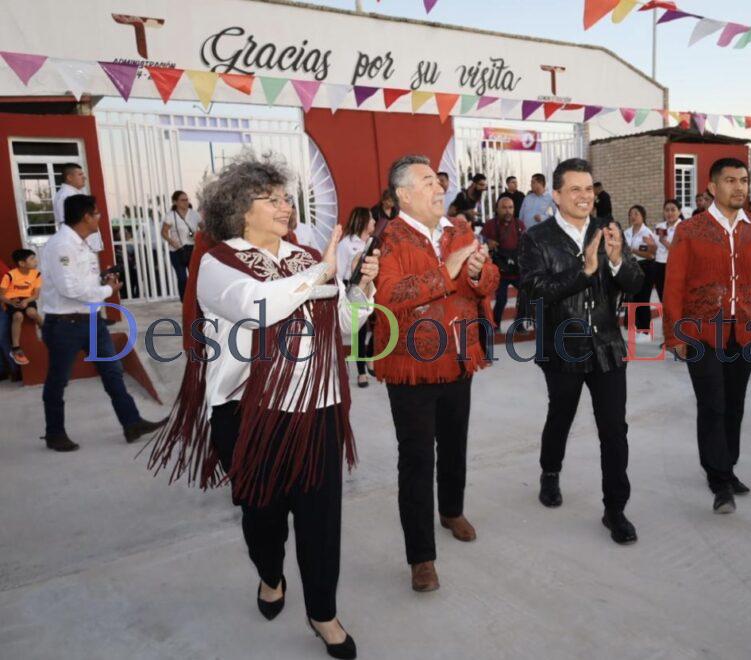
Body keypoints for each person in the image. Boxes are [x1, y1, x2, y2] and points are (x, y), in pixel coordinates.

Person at [148, 154, 378, 659]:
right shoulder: (215, 263)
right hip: (250, 413)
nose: (284, 205)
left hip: (318, 407)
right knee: (263, 516)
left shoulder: (305, 255)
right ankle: (270, 574)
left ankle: (323, 613)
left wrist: (360, 289)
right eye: (269, 198)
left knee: (321, 519)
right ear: (238, 209)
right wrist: (322, 272)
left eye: (285, 197)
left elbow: (344, 326)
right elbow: (259, 306)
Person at [373, 155, 499, 593]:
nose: (439, 186)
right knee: (417, 460)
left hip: (459, 357)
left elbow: (487, 282)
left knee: (455, 443)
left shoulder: (458, 230)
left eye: (438, 179)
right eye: (427, 181)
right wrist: (447, 269)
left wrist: (481, 273)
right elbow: (389, 295)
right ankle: (421, 557)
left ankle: (452, 509)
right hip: (412, 366)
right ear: (404, 194)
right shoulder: (389, 239)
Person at [518, 157, 644, 545]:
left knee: (614, 429)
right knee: (562, 415)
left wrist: (619, 259)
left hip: (606, 344)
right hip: (562, 345)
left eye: (589, 188)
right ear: (556, 195)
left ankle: (615, 509)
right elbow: (536, 290)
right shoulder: (536, 239)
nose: (584, 196)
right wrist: (584, 273)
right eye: (575, 189)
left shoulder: (609, 231)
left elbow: (637, 284)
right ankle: (550, 471)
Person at [662, 158, 751, 514]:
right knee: (713, 404)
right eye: (730, 180)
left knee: (734, 404)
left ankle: (727, 466)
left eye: (744, 180)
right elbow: (673, 285)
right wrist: (676, 335)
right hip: (702, 332)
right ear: (713, 188)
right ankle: (719, 480)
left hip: (744, 332)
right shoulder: (690, 230)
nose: (739, 187)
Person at [38, 194, 166, 452]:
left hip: (91, 320)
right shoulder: (62, 245)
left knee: (112, 373)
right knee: (57, 381)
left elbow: (83, 284)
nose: (99, 217)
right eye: (96, 213)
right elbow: (70, 289)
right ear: (86, 216)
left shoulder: (83, 244)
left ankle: (132, 423)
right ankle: (54, 433)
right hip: (65, 325)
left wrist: (103, 283)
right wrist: (107, 291)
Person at [337, 206, 377, 388]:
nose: (374, 222)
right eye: (371, 219)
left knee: (377, 326)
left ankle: (370, 358)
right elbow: (338, 271)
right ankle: (361, 372)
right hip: (351, 286)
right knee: (359, 331)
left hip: (371, 287)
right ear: (362, 221)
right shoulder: (346, 244)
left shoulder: (371, 243)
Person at [481, 196, 526, 333]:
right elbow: (480, 245)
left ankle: (519, 325)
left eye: (510, 207)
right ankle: (495, 324)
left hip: (517, 269)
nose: (508, 211)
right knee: (501, 299)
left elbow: (526, 246)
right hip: (499, 270)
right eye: (504, 207)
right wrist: (487, 244)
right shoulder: (490, 225)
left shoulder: (519, 224)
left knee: (525, 296)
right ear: (497, 209)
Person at [1, 249, 42, 366]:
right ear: (22, 263)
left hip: (28, 299)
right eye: (32, 259)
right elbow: (1, 295)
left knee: (32, 313)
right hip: (13, 301)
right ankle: (16, 348)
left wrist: (26, 301)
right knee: (18, 316)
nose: (36, 261)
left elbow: (36, 295)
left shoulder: (36, 274)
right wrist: (11, 302)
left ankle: (44, 326)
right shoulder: (9, 276)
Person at [622, 204, 658, 335]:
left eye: (636, 213)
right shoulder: (626, 233)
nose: (633, 216)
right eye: (631, 214)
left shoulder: (647, 233)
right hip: (632, 267)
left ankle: (644, 329)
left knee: (643, 298)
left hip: (646, 267)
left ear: (643, 216)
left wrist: (634, 250)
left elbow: (650, 254)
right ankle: (634, 326)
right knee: (632, 297)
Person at [161, 191, 202, 301]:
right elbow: (164, 232)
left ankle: (196, 301)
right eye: (182, 200)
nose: (186, 202)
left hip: (192, 249)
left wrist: (197, 235)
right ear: (175, 202)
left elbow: (204, 229)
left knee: (194, 277)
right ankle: (184, 302)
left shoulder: (194, 214)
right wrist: (171, 241)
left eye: (187, 199)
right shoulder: (170, 216)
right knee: (182, 277)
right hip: (177, 250)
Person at [53, 162, 103, 253]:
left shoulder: (74, 193)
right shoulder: (66, 196)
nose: (84, 177)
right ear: (69, 177)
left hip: (85, 246)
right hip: (78, 247)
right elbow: (69, 223)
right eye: (80, 174)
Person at [654, 199, 683, 302]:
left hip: (674, 265)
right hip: (659, 264)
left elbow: (678, 252)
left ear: (679, 211)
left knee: (674, 298)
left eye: (673, 210)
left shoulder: (683, 227)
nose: (669, 213)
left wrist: (663, 241)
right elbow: (655, 246)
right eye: (666, 210)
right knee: (662, 297)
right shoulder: (659, 226)